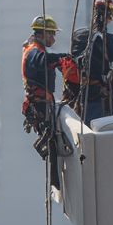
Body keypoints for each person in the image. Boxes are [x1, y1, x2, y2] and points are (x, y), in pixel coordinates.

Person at [21, 15, 70, 177]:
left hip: (42, 104)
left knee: (53, 139)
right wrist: (63, 57)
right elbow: (43, 61)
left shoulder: (36, 49)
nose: (54, 38)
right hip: (39, 106)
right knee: (51, 139)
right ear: (42, 34)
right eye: (51, 34)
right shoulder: (33, 51)